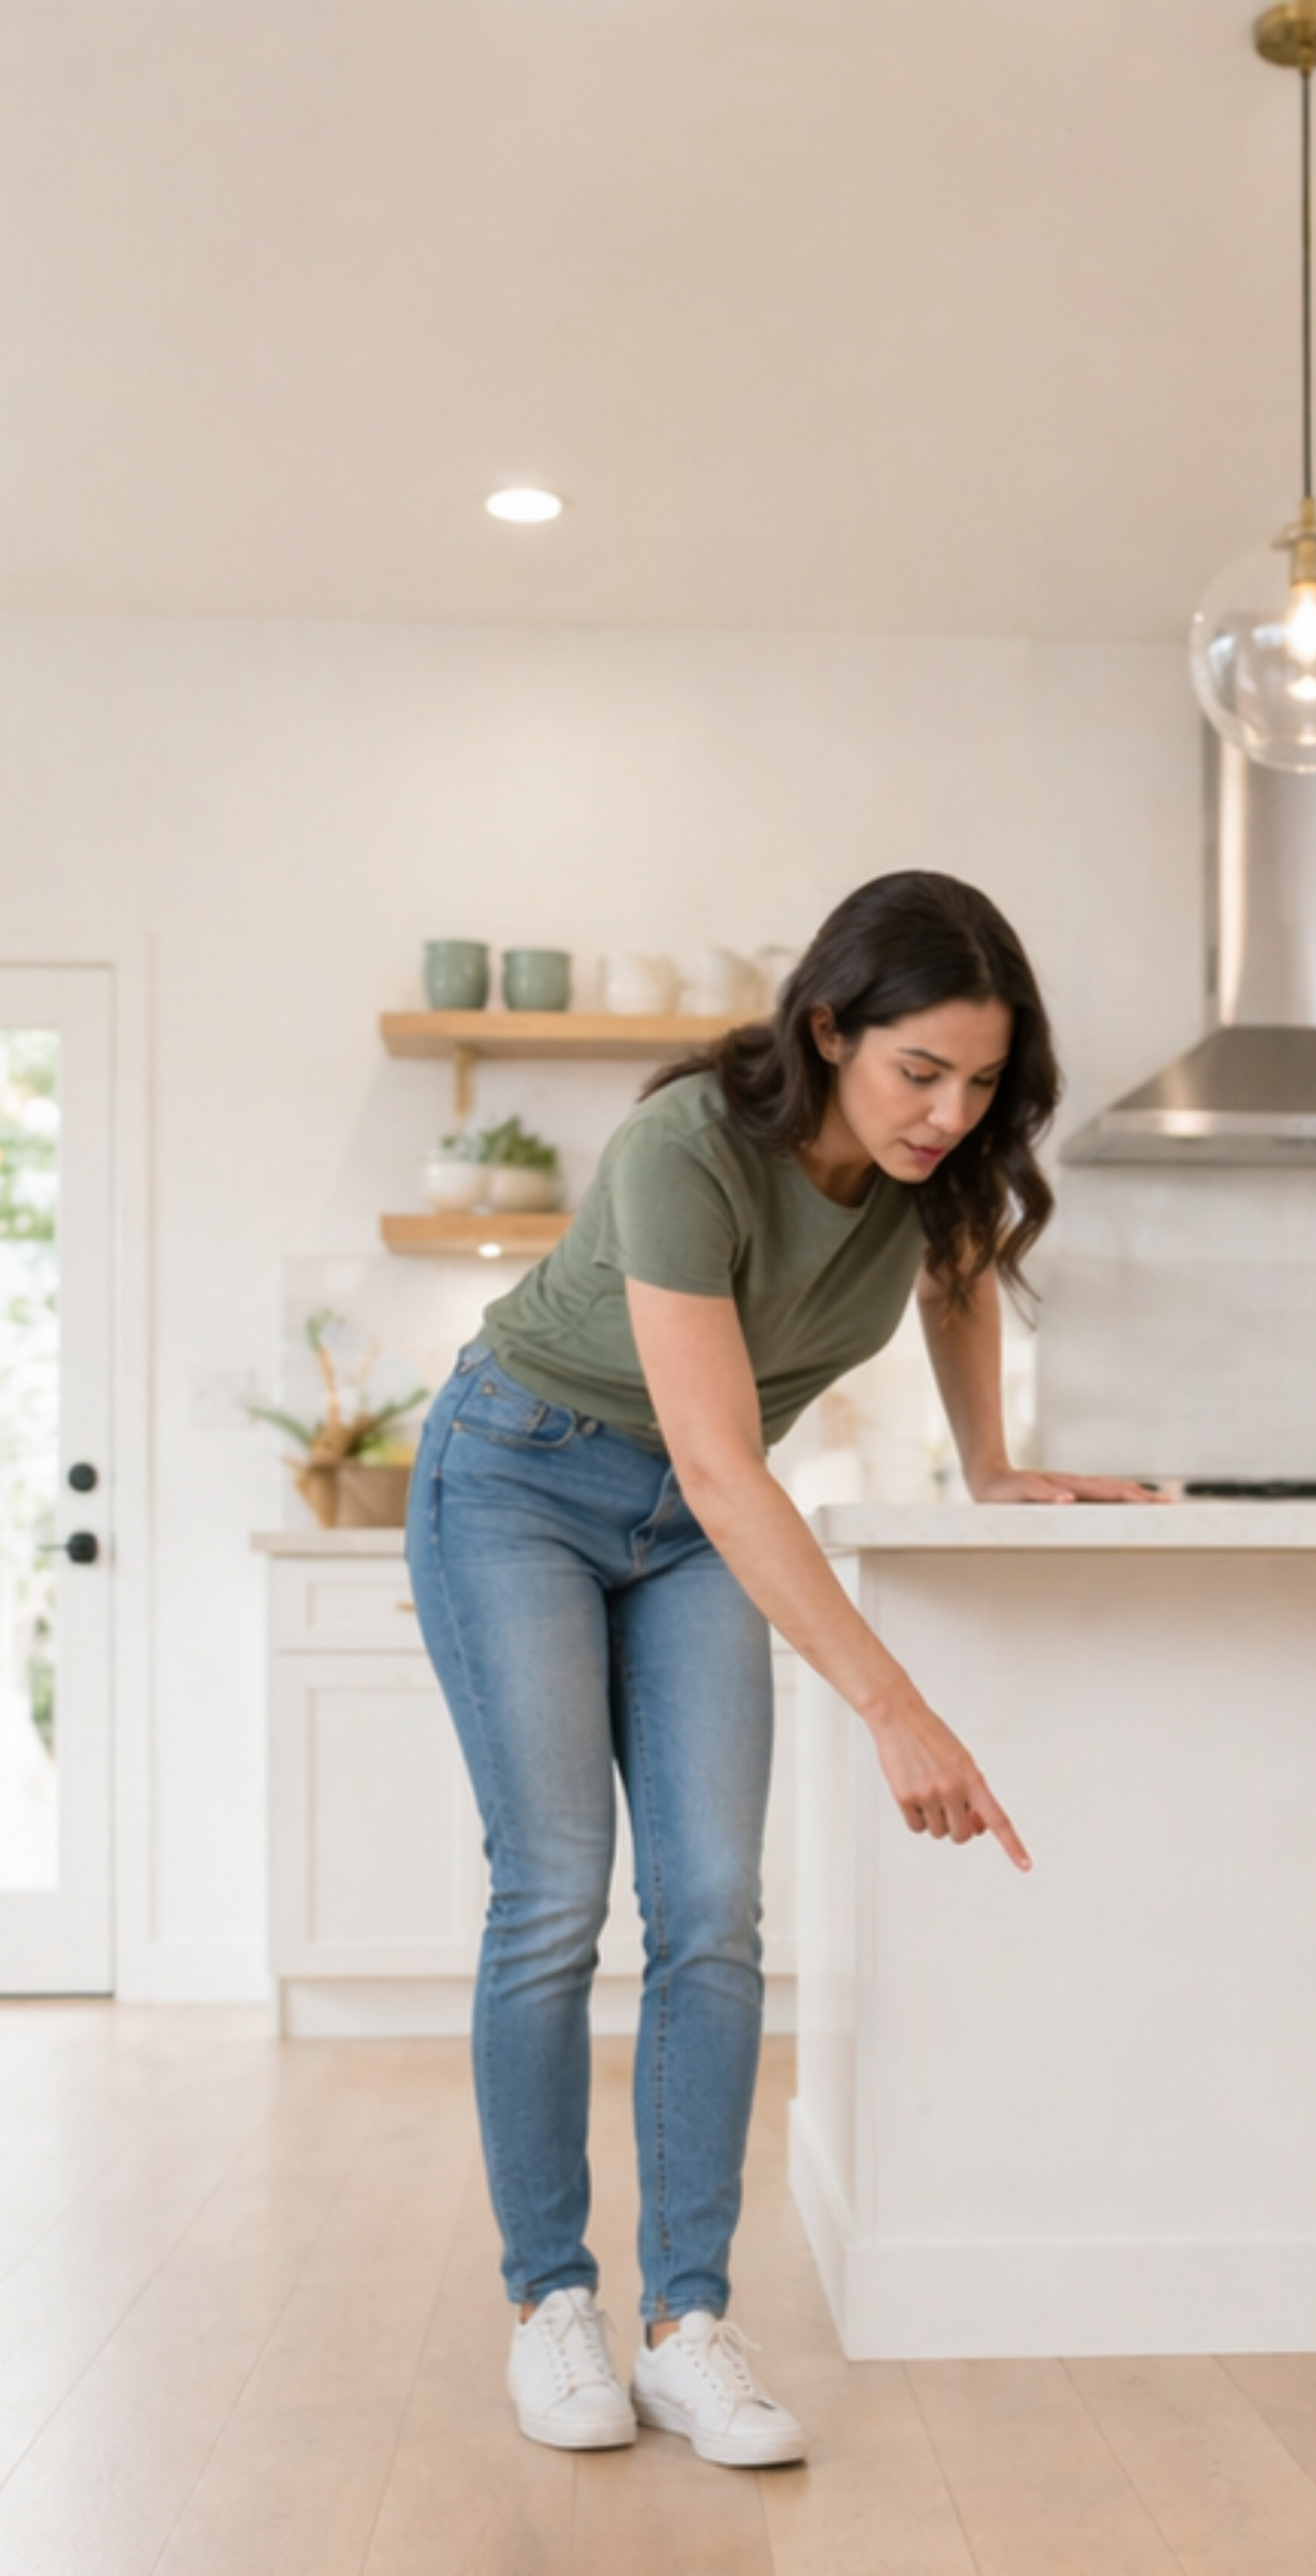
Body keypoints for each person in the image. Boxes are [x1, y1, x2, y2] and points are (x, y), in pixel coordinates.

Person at [403, 869, 1158, 2466]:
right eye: (916, 1072)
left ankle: (688, 2326)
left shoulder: (929, 1171)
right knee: (552, 1891)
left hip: (685, 1527)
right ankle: (551, 2306)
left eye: (977, 1081)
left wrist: (991, 1464)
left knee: (712, 1911)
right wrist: (895, 1708)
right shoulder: (683, 1150)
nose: (948, 1113)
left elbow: (955, 1281)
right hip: (521, 1479)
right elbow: (726, 1458)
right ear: (827, 1029)